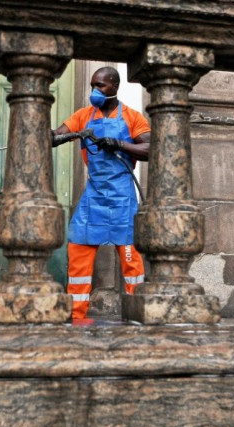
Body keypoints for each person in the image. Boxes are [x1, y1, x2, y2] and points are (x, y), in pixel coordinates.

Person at [52, 66, 151, 320]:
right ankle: (76, 316)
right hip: (94, 195)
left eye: (100, 86)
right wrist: (50, 134)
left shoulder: (132, 117)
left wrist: (119, 144)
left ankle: (135, 314)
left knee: (132, 262)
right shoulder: (84, 116)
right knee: (78, 248)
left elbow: (153, 148)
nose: (94, 91)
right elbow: (56, 135)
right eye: (92, 85)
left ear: (115, 87)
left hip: (123, 198)